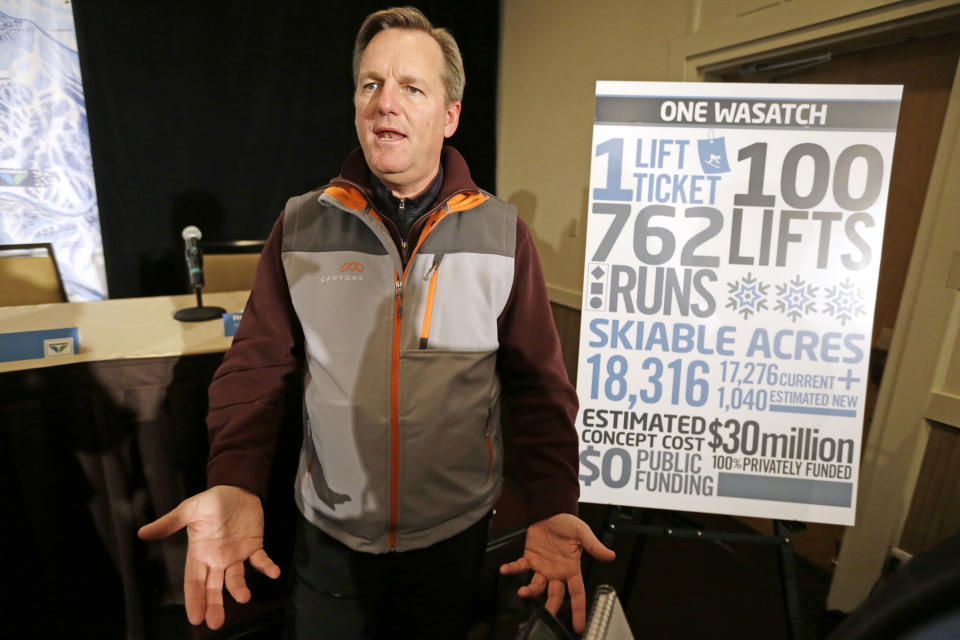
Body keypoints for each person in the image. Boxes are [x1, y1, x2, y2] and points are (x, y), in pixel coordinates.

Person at [138, 6, 614, 638]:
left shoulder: (504, 234)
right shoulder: (301, 224)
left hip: (454, 533)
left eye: (412, 88)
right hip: (330, 535)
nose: (385, 103)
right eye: (370, 84)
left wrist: (554, 502)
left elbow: (538, 386)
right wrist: (234, 479)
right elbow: (256, 368)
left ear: (449, 116)